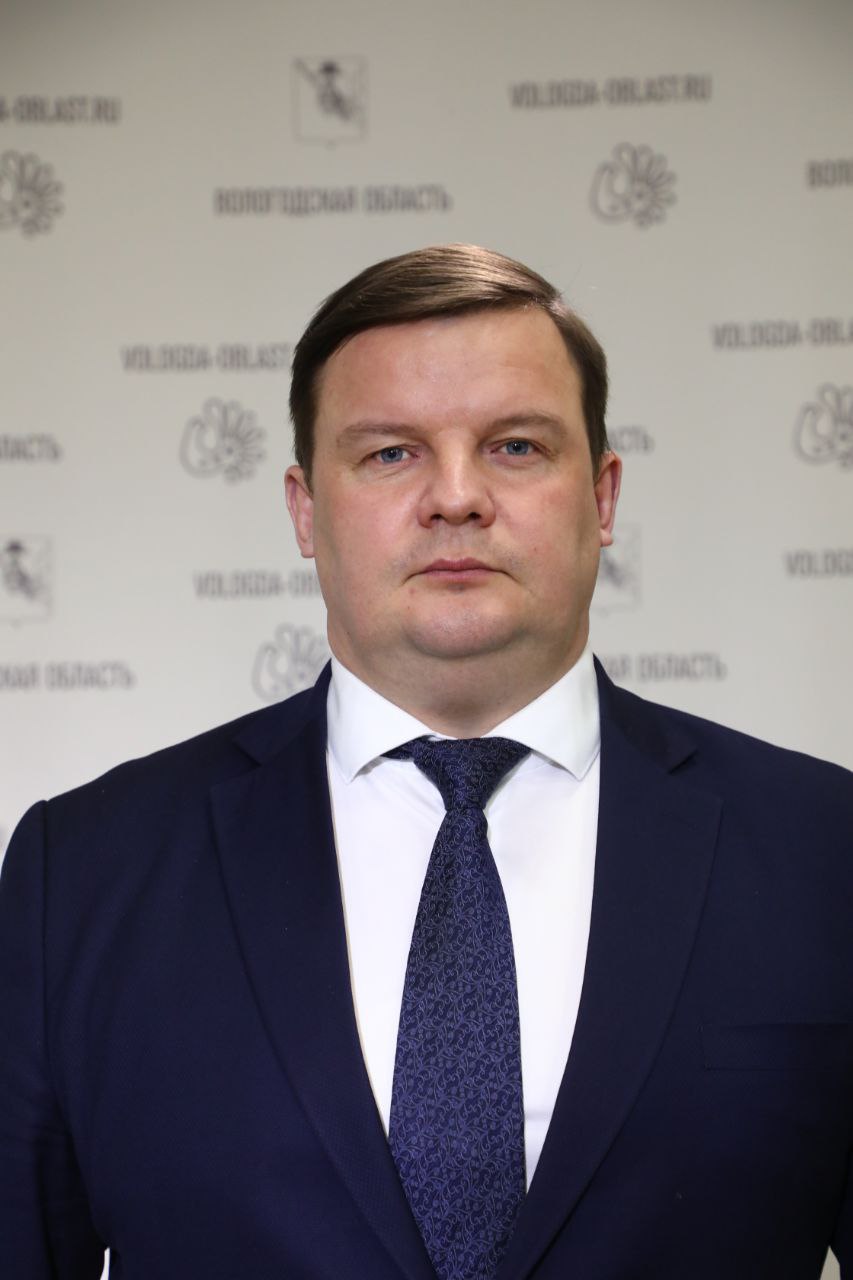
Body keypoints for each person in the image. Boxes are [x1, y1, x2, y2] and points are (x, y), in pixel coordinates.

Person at [1, 244, 851, 1280]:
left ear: (602, 497)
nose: (455, 496)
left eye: (515, 446)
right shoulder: (86, 871)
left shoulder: (823, 850)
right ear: (305, 509)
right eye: (391, 453)